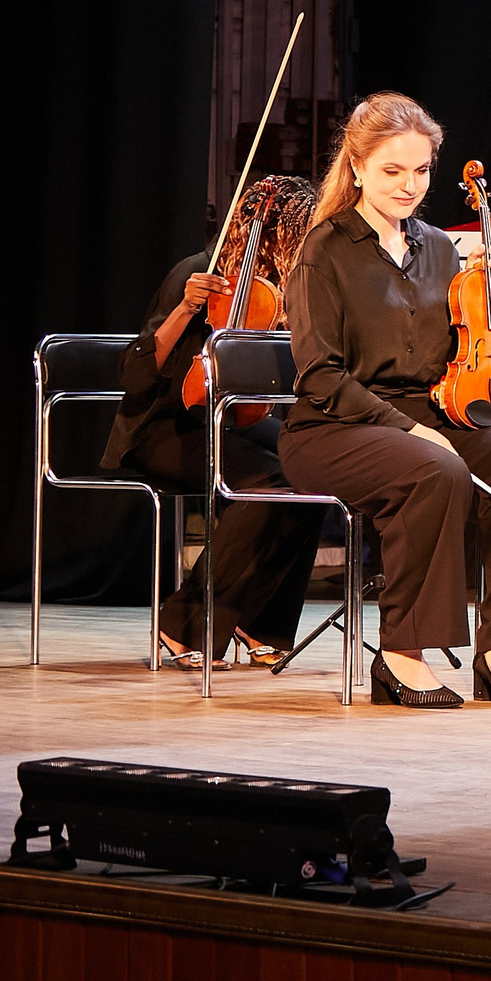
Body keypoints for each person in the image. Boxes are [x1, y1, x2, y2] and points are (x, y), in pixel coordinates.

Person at [277, 92, 491, 707]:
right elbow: (321, 376)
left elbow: (454, 349)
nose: (409, 186)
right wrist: (409, 430)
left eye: (420, 170)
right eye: (392, 171)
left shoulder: (439, 247)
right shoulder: (323, 251)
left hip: (427, 412)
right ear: (356, 167)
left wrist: (482, 289)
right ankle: (402, 653)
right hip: (333, 425)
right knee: (433, 466)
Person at [102, 176, 324, 669]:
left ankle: (259, 621)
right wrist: (185, 307)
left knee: (311, 471)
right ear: (263, 230)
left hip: (235, 420)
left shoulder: (283, 290)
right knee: (266, 481)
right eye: (293, 234)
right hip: (164, 425)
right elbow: (136, 373)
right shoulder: (200, 273)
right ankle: (184, 624)